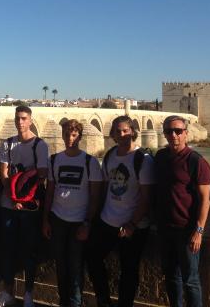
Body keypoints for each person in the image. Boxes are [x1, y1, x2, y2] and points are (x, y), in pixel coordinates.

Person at [87, 116, 155, 307]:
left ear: (133, 132)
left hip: (133, 226)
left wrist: (132, 224)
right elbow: (105, 187)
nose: (122, 134)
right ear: (113, 135)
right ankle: (104, 301)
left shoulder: (143, 160)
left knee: (129, 271)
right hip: (107, 221)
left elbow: (146, 197)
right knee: (92, 258)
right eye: (118, 131)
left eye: (126, 130)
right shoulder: (110, 155)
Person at [42, 119, 103, 307]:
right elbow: (50, 192)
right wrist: (45, 220)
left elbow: (95, 196)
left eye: (74, 135)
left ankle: (75, 303)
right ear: (62, 135)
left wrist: (87, 223)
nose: (70, 138)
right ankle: (63, 302)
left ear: (80, 137)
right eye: (67, 134)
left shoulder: (90, 162)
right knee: (61, 265)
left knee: (76, 267)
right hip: (58, 219)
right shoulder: (54, 160)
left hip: (79, 221)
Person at [0, 106, 49, 307]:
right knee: (7, 249)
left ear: (30, 120)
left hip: (29, 208)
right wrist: (13, 197)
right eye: (18, 118)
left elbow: (41, 176)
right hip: (8, 205)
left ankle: (28, 294)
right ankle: (7, 292)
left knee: (29, 251)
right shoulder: (8, 144)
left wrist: (22, 200)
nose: (20, 122)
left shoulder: (40, 145)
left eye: (24, 118)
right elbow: (4, 174)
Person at [154, 115, 210, 307]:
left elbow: (205, 200)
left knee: (191, 281)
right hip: (165, 229)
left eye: (178, 131)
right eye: (169, 131)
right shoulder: (160, 157)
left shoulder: (196, 161)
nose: (174, 135)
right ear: (164, 134)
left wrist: (199, 231)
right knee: (171, 277)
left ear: (186, 133)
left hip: (187, 231)